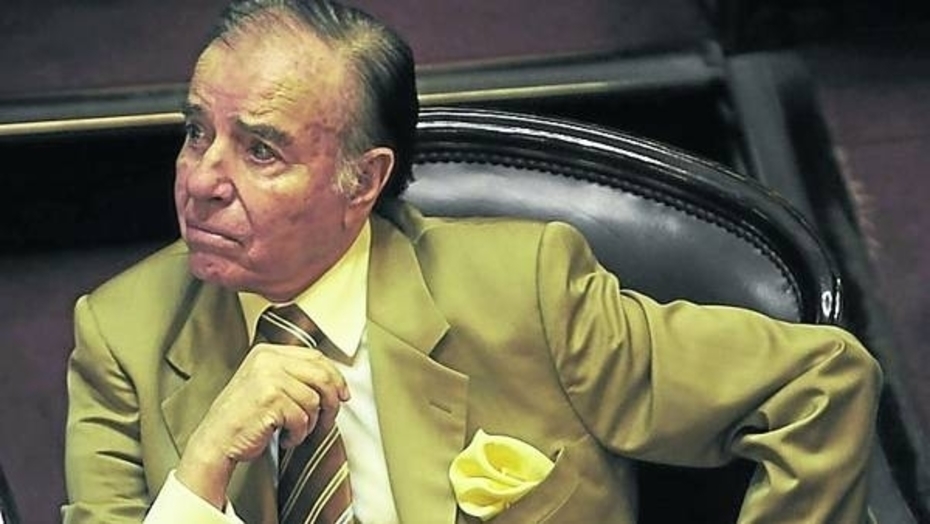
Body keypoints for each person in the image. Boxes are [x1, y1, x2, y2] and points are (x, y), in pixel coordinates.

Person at [62, 0, 882, 523]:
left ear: (362, 181)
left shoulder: (526, 292)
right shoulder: (122, 337)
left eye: (261, 151)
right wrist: (203, 471)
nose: (201, 180)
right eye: (196, 131)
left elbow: (819, 384)